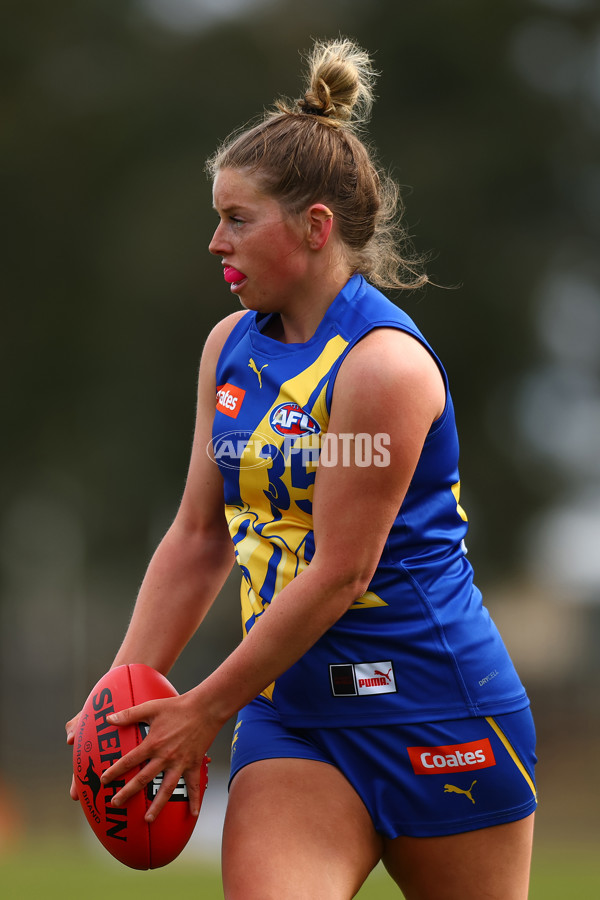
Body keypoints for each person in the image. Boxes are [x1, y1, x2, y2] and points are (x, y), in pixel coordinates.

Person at [66, 38, 537, 899]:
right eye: (218, 218)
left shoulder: (382, 368)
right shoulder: (229, 351)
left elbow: (338, 573)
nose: (215, 242)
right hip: (297, 720)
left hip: (438, 710)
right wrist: (119, 699)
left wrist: (202, 706)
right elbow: (199, 536)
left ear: (316, 228)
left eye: (238, 219)